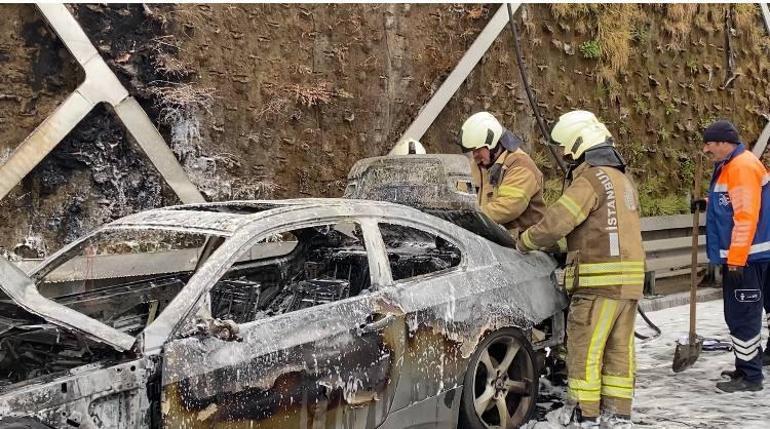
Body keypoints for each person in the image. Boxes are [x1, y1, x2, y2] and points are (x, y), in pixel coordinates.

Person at [518, 110, 644, 428]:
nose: (563, 153)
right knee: (619, 350)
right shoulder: (622, 179)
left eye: (565, 147)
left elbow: (558, 221)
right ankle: (617, 413)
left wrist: (525, 241)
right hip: (629, 284)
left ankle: (582, 413)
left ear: (579, 142)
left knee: (585, 348)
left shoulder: (590, 179)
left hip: (598, 284)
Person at [691, 119, 770, 392]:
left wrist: (736, 258)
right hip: (755, 254)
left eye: (710, 144)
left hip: (746, 258)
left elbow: (746, 216)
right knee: (744, 312)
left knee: (742, 315)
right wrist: (708, 202)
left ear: (724, 143)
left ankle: (750, 377)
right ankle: (745, 367)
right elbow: (733, 202)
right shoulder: (735, 164)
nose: (706, 149)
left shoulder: (741, 167)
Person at [460, 111, 546, 236]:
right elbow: (460, 195)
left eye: (478, 150)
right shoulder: (479, 165)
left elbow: (507, 208)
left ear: (493, 145)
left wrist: (467, 219)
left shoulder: (520, 165)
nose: (475, 156)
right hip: (491, 238)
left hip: (524, 246)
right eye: (472, 151)